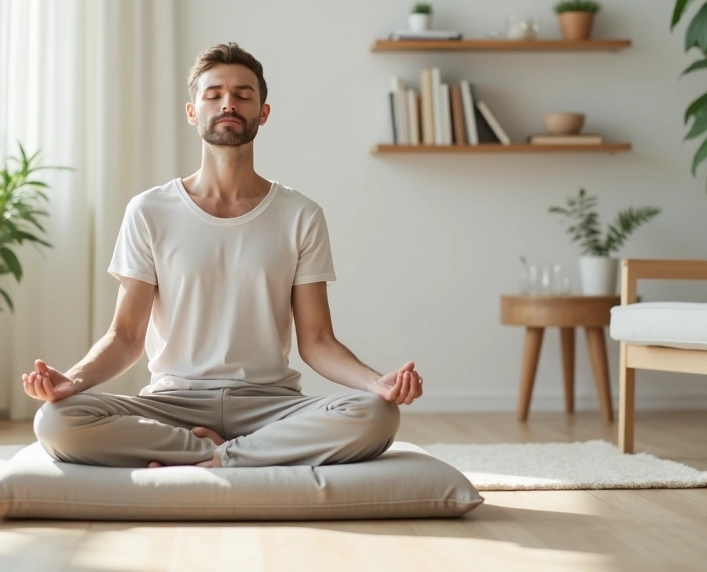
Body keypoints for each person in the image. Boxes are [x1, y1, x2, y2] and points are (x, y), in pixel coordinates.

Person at [21, 42, 424, 469]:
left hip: (269, 406)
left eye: (243, 95)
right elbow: (125, 338)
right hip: (175, 404)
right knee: (57, 421)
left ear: (262, 113)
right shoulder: (149, 211)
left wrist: (375, 383)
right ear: (192, 112)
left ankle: (213, 456)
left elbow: (318, 342)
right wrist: (73, 380)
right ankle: (230, 455)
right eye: (214, 94)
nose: (228, 103)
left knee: (376, 415)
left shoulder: (300, 214)